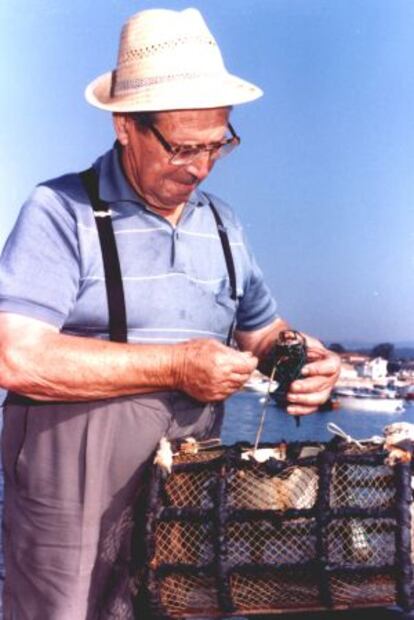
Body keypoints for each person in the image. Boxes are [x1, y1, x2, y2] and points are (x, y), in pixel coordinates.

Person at [0, 8, 340, 620]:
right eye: (184, 147)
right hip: (72, 478)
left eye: (219, 145)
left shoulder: (223, 222)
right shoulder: (59, 210)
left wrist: (305, 360)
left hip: (188, 477)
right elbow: (17, 356)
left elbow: (263, 332)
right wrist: (181, 365)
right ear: (125, 124)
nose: (201, 167)